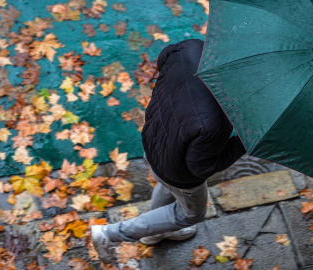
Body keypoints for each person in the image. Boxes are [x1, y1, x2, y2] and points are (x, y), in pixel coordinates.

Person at [91, 39, 247, 264]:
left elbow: (163, 59)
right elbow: (202, 167)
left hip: (154, 137)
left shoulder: (191, 48)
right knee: (191, 214)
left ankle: (154, 233)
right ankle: (111, 234)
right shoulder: (216, 122)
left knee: (165, 186)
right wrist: (242, 142)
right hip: (178, 170)